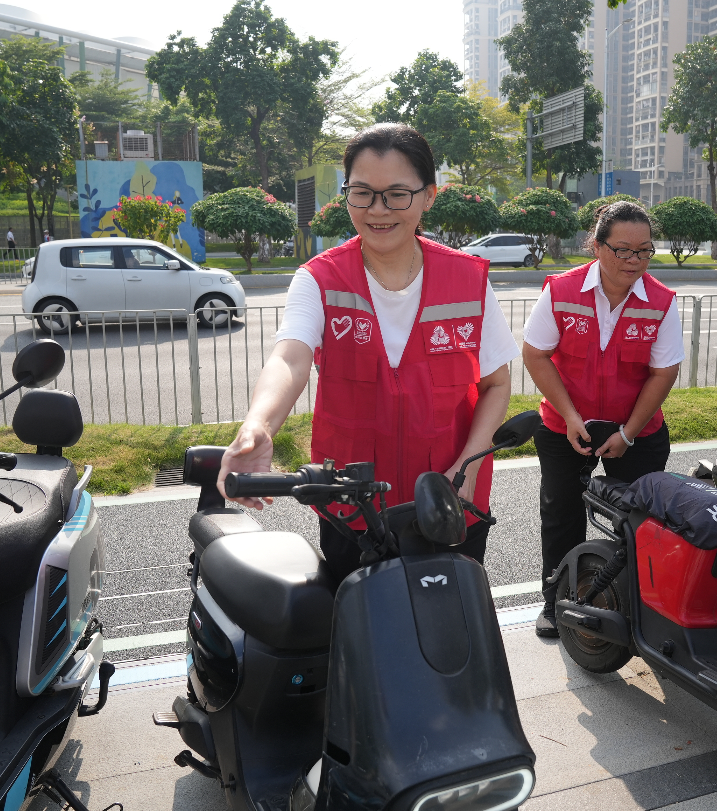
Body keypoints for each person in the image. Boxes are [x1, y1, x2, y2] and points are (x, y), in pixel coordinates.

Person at [217, 123, 520, 582]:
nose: (378, 210)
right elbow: (290, 357)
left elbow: (497, 384)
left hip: (448, 500)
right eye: (362, 193)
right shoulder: (320, 279)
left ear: (428, 196)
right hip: (352, 507)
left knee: (452, 633)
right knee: (359, 632)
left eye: (397, 194)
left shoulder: (468, 280)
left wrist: (468, 466)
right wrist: (259, 424)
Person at [522, 201, 684, 637]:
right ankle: (556, 603)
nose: (634, 261)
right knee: (561, 517)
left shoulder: (661, 301)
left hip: (636, 429)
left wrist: (628, 434)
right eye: (622, 250)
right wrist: (571, 417)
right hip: (565, 426)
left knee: (638, 522)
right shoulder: (560, 290)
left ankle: (630, 606)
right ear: (596, 246)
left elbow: (664, 372)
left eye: (645, 251)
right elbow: (536, 355)